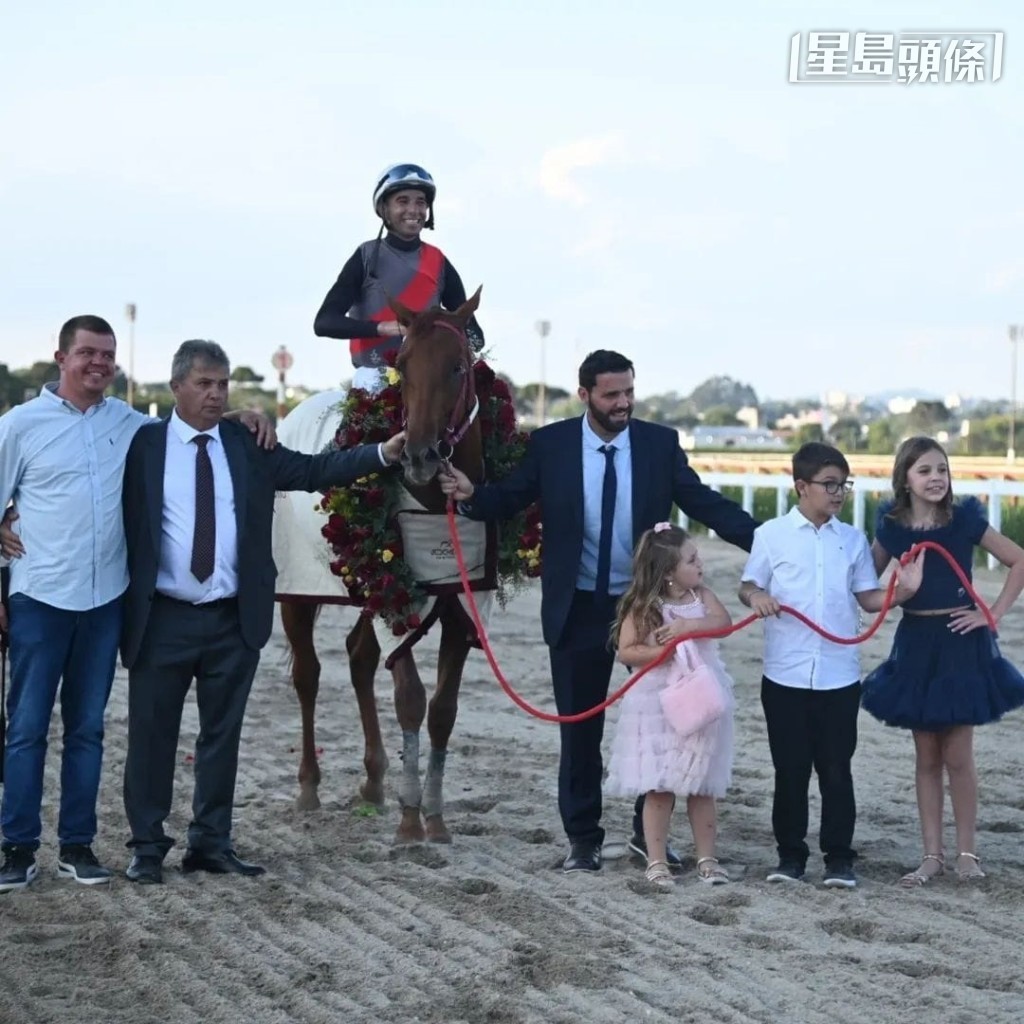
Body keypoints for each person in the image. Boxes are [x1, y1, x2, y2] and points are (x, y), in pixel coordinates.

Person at [439, 349, 758, 873]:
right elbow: (510, 498)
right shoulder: (551, 445)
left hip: (648, 609)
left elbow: (704, 503)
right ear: (584, 394)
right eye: (612, 394)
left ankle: (646, 838)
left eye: (629, 391)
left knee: (659, 726)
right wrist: (472, 496)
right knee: (579, 731)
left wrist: (768, 544)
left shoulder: (659, 444)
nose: (623, 402)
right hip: (577, 607)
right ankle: (582, 840)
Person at [0, 315, 274, 894]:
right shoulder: (19, 425)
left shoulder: (130, 426)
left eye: (108, 354)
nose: (99, 363)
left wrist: (238, 415)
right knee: (25, 729)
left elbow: (189, 425)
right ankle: (17, 848)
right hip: (39, 598)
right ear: (61, 357)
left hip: (106, 602)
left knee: (88, 731)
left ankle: (77, 847)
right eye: (88, 353)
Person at [119, 340, 405, 885]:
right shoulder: (143, 444)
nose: (215, 394)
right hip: (161, 619)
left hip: (233, 620)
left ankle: (210, 843)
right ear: (176, 387)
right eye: (204, 384)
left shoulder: (246, 444)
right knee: (151, 738)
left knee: (221, 738)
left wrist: (381, 454)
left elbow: (315, 470)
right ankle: (147, 848)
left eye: (222, 384)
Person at [739, 441, 923, 889]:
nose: (838, 493)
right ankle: (790, 857)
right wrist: (757, 595)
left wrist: (902, 591)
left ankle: (839, 859)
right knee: (790, 770)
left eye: (843, 485)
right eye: (829, 484)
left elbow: (868, 597)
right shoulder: (771, 535)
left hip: (839, 677)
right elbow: (748, 584)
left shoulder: (852, 539)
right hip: (784, 675)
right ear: (802, 486)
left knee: (837, 769)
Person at [861, 436, 1024, 886]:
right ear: (905, 479)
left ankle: (967, 853)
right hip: (916, 643)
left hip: (960, 642)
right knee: (927, 755)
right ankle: (931, 855)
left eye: (942, 469)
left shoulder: (963, 520)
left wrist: (992, 613)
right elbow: (864, 588)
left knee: (958, 753)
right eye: (924, 471)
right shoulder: (892, 528)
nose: (936, 478)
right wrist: (902, 591)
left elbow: (1018, 560)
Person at [605, 524, 736, 888]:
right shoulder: (644, 606)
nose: (700, 564)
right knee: (659, 785)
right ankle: (657, 859)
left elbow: (723, 623)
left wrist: (688, 627)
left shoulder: (701, 596)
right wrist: (661, 653)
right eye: (691, 560)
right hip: (657, 702)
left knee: (702, 784)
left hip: (701, 696)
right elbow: (627, 650)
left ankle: (707, 857)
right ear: (667, 572)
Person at [313, 162, 485, 391]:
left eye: (420, 202)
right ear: (384, 208)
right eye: (403, 201)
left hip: (428, 382)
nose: (413, 210)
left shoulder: (439, 262)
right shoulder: (365, 256)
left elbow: (475, 336)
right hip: (373, 381)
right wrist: (384, 328)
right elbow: (324, 322)